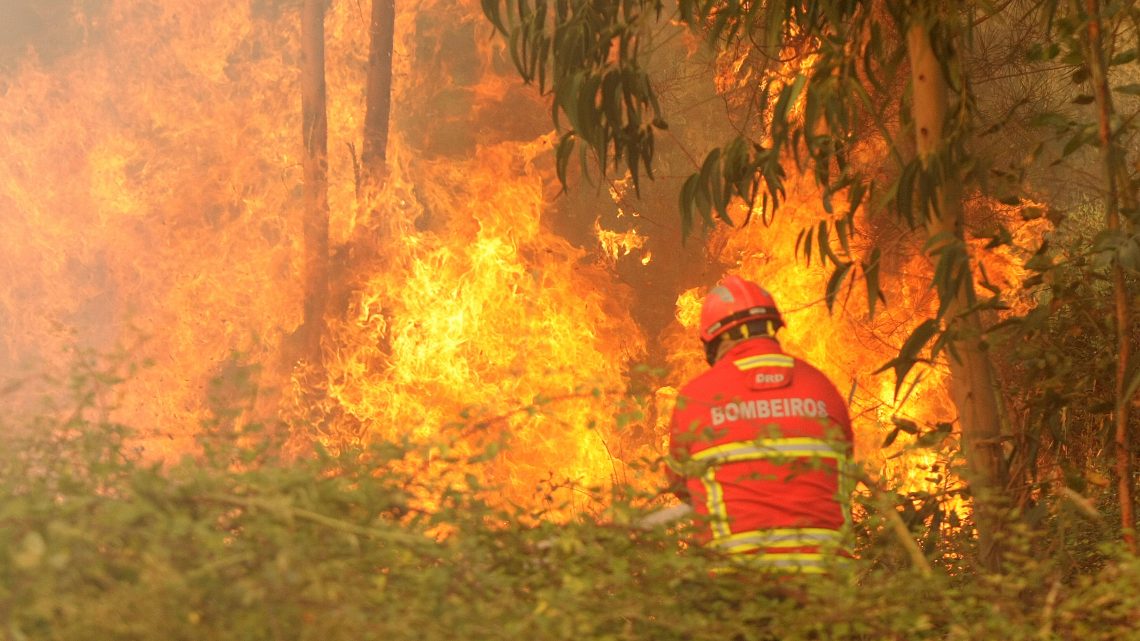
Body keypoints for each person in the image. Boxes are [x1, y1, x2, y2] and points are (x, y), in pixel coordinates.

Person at [667, 275, 855, 573]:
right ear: (772, 329)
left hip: (738, 581)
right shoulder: (822, 388)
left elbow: (680, 483)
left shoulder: (697, 396)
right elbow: (841, 471)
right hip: (827, 580)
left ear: (716, 339)